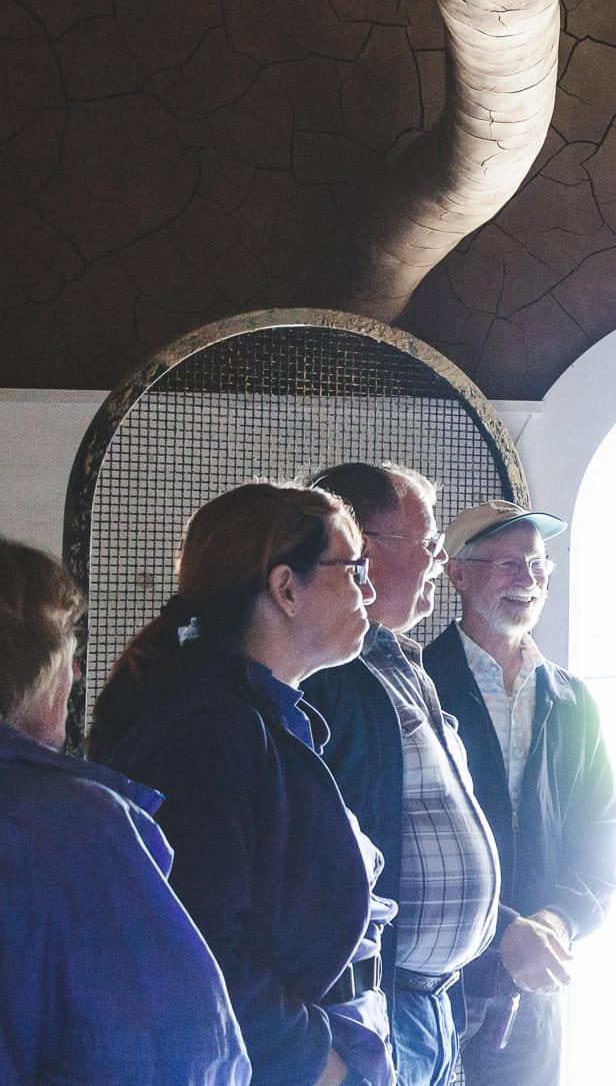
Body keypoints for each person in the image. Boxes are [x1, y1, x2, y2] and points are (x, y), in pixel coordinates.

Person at [90, 483, 398, 1086]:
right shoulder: (209, 731)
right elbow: (200, 949)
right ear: (286, 588)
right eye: (354, 567)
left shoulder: (258, 714)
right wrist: (317, 1061)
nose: (370, 590)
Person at [0, 536, 251, 1085]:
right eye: (69, 643)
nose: (79, 674)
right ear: (36, 664)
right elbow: (175, 1055)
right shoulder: (74, 829)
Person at [303, 464, 502, 1086]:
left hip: (435, 1004)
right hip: (375, 1009)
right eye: (430, 545)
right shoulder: (327, 675)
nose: (441, 564)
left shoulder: (404, 662)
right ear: (360, 548)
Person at [424, 500, 616, 1086]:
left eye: (537, 567)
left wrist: (557, 924)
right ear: (457, 573)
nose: (528, 581)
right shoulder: (418, 683)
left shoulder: (571, 699)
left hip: (535, 991)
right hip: (434, 987)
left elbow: (600, 833)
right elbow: (400, 845)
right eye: (508, 565)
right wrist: (503, 931)